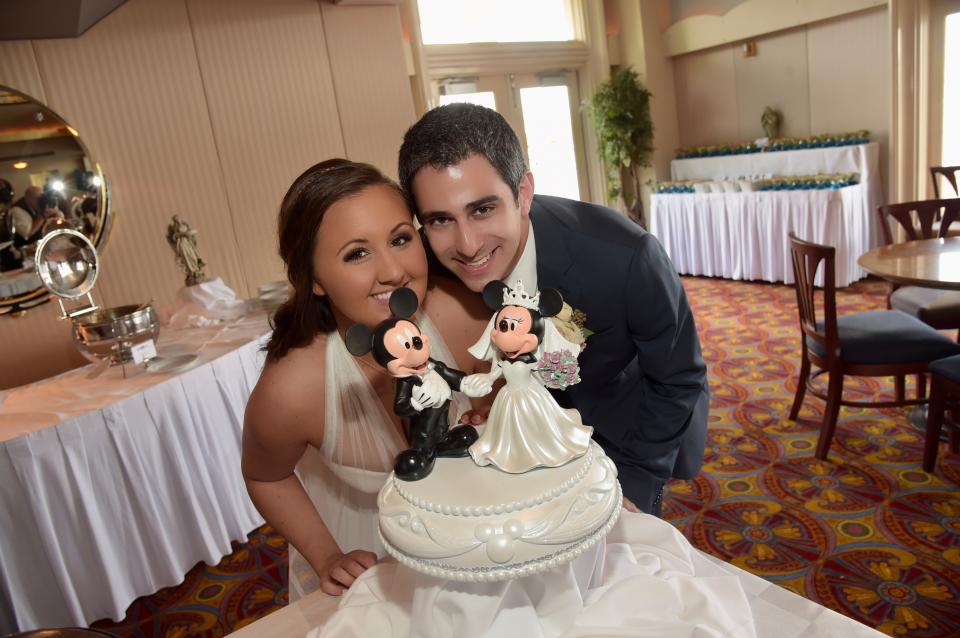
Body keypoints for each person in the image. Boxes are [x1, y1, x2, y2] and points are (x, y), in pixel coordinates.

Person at [398, 103, 709, 516]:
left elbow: (678, 378)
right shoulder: (428, 267)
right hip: (516, 444)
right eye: (440, 220)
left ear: (523, 192)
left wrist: (634, 479)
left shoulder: (623, 255)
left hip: (621, 432)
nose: (468, 245)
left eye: (483, 208)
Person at [241, 159, 491, 600]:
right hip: (366, 554)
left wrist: (492, 412)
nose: (393, 272)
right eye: (357, 253)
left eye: (400, 239)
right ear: (314, 279)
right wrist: (327, 556)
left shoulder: (461, 318)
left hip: (477, 531)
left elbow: (508, 392)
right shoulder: (292, 389)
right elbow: (266, 476)